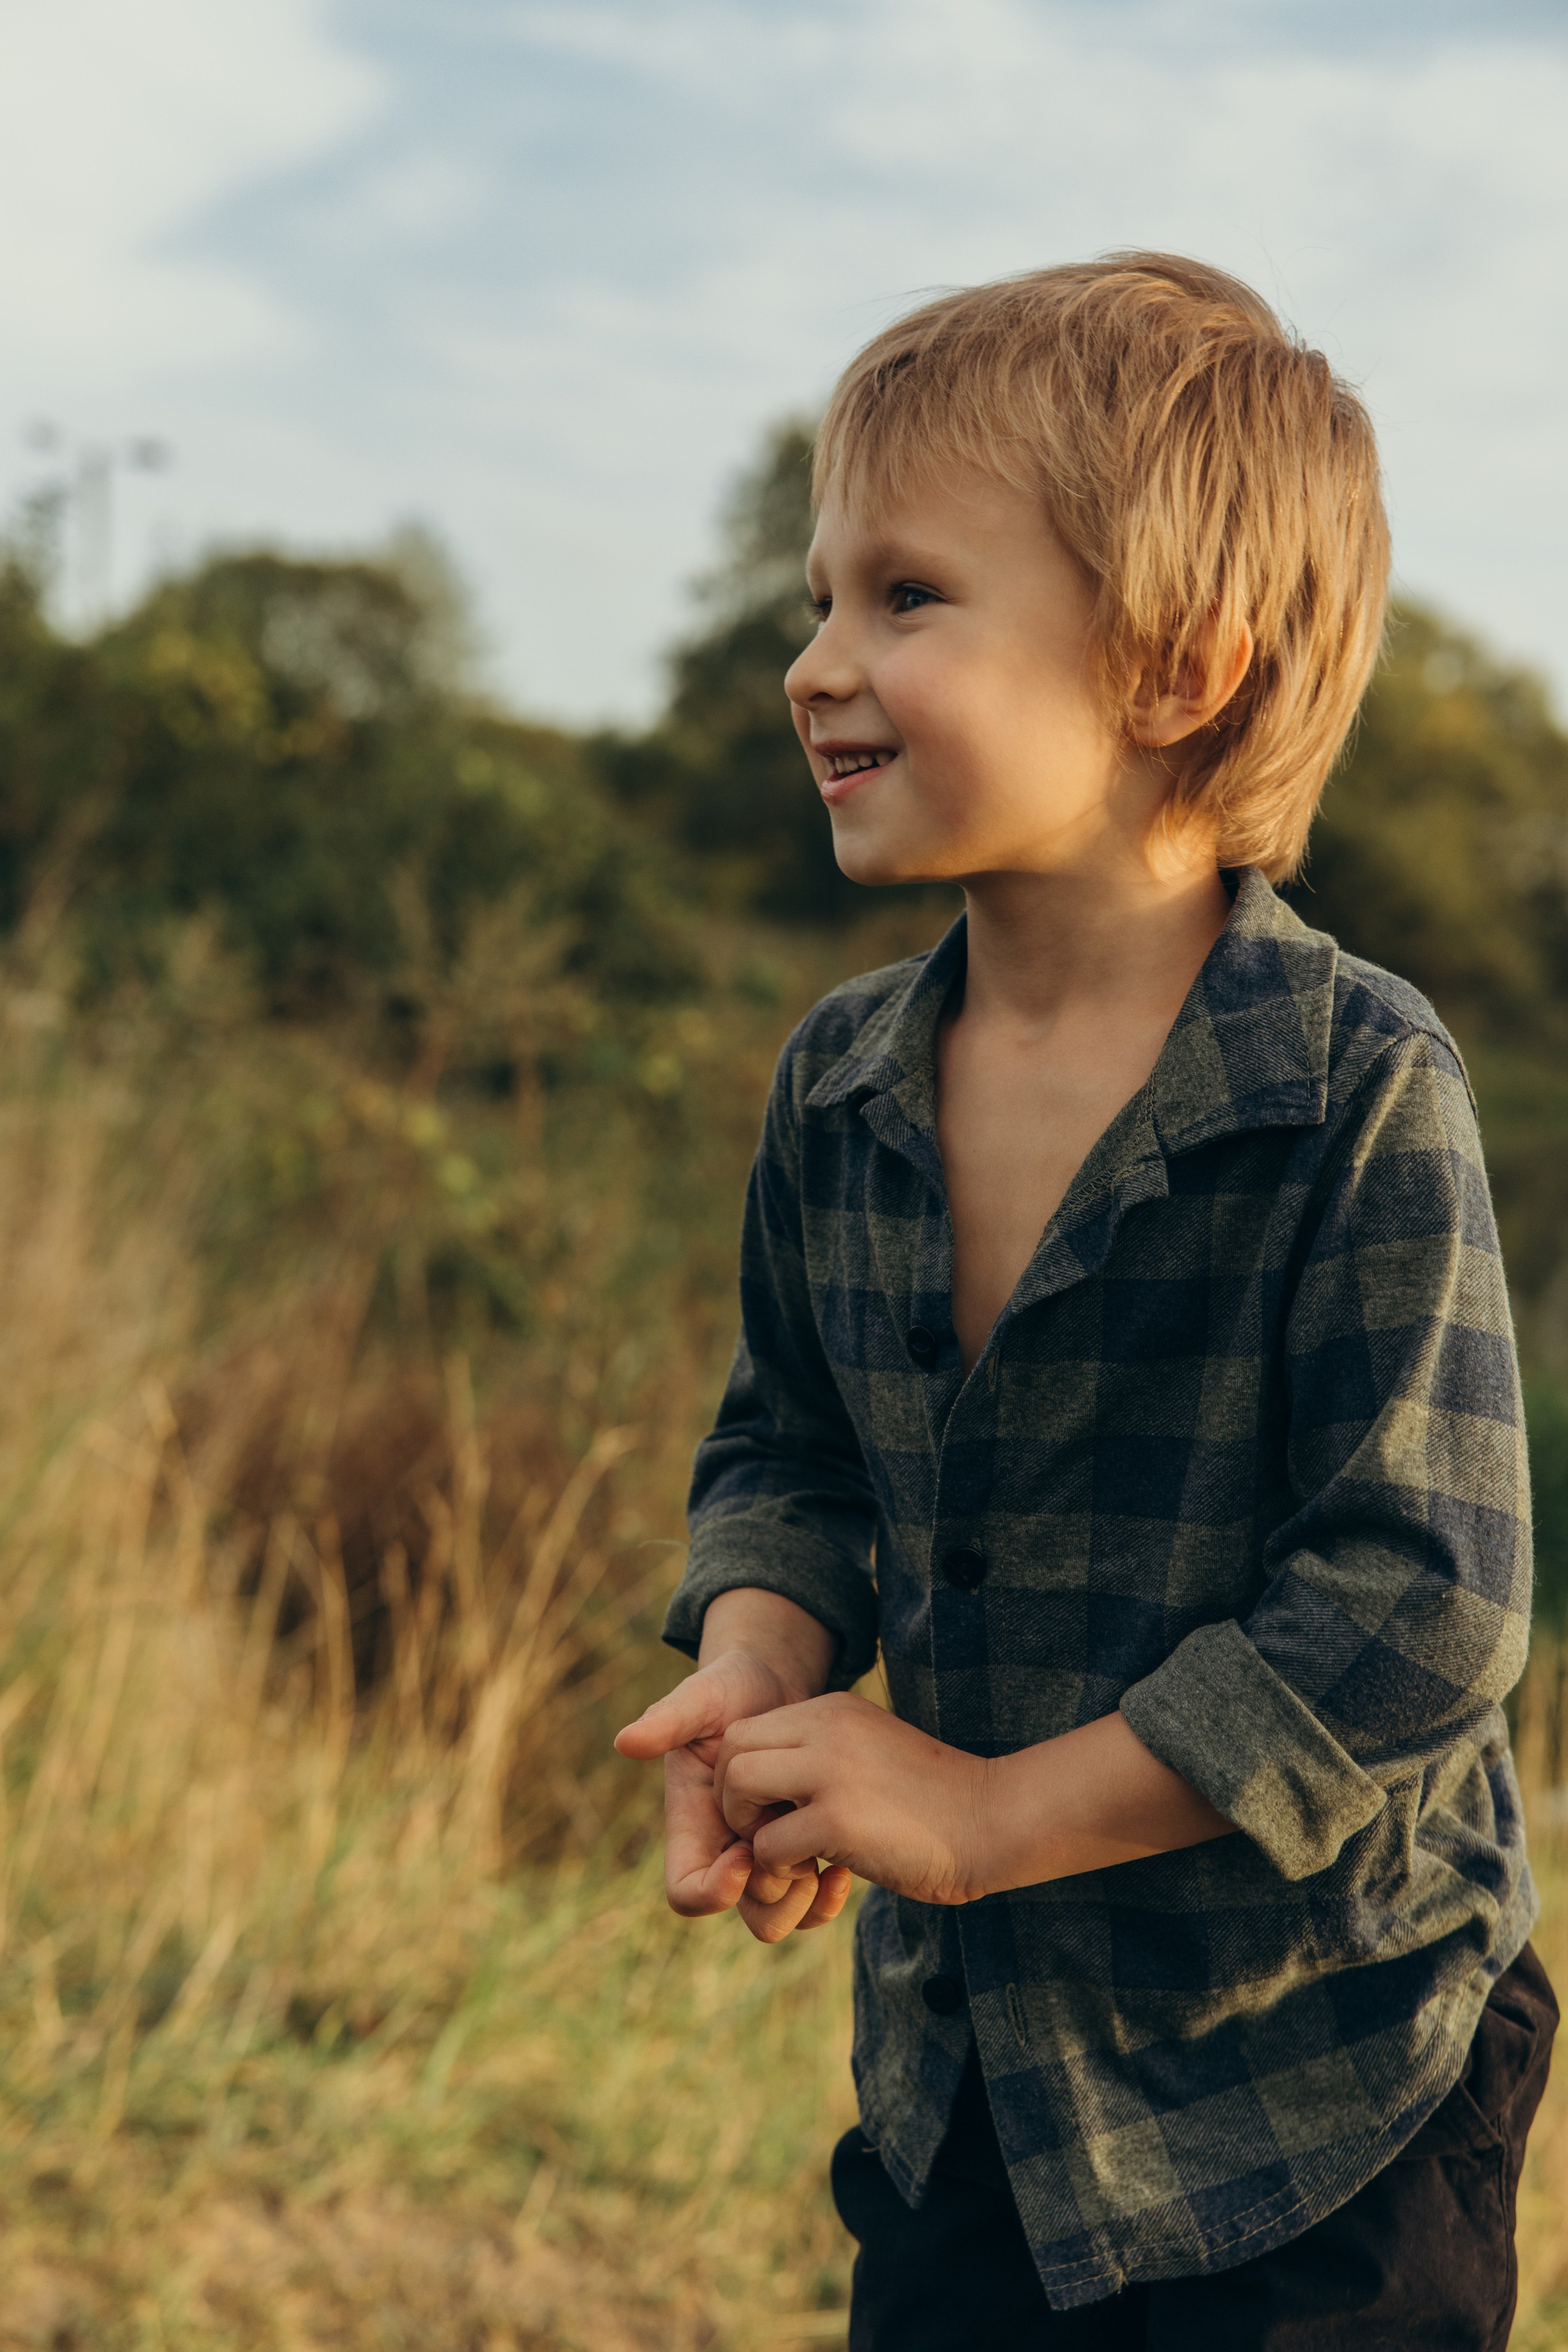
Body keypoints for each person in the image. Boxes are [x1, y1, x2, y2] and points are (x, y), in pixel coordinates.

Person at [614, 254, 1556, 2348]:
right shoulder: (843, 1082)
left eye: (906, 599)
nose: (814, 663)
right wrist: (761, 1659)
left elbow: (1422, 1610)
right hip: (979, 2094)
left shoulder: (1357, 1089)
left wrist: (971, 1816)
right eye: (818, 595)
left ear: (1176, 665)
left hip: (1320, 2094)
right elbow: (786, 1444)